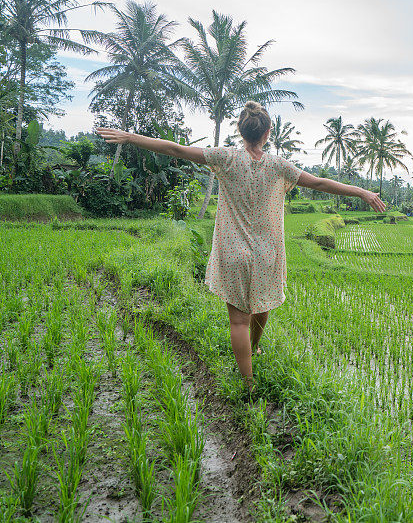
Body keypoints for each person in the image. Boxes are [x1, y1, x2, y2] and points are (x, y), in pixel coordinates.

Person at [96, 101, 386, 400]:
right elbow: (321, 183)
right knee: (262, 304)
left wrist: (131, 137)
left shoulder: (224, 158)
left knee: (238, 321)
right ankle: (256, 344)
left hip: (233, 250)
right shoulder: (279, 166)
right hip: (267, 252)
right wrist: (362, 191)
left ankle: (248, 384)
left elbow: (176, 149)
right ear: (268, 132)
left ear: (240, 129)